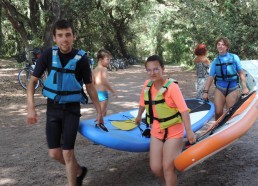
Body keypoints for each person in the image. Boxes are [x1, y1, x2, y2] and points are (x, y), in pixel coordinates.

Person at [26, 19, 104, 186]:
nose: (64, 39)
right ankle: (79, 171)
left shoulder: (81, 59)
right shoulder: (48, 55)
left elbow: (90, 88)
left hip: (71, 111)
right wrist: (31, 107)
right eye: (60, 35)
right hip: (52, 110)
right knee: (54, 153)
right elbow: (32, 82)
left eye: (68, 35)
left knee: (68, 153)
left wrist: (99, 111)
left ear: (74, 36)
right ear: (54, 37)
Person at [135, 55, 196, 186]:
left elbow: (184, 111)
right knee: (156, 168)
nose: (152, 73)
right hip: (156, 130)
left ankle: (170, 181)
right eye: (149, 70)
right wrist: (139, 116)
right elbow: (142, 103)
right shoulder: (147, 85)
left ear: (163, 69)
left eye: (156, 69)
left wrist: (189, 132)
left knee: (168, 168)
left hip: (174, 131)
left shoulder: (172, 87)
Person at [202, 37, 249, 120]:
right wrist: (206, 92)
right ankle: (217, 129)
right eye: (218, 44)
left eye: (223, 44)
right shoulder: (215, 61)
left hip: (233, 88)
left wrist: (245, 87)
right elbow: (210, 77)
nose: (220, 46)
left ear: (227, 47)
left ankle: (230, 130)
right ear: (216, 47)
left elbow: (241, 73)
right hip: (220, 88)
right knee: (218, 112)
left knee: (230, 113)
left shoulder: (234, 57)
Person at [93, 49, 117, 116]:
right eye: (107, 59)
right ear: (100, 59)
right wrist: (112, 91)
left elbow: (92, 83)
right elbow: (105, 82)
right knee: (103, 114)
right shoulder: (104, 69)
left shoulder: (94, 70)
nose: (109, 61)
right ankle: (100, 125)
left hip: (96, 94)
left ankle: (99, 124)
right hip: (103, 94)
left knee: (99, 112)